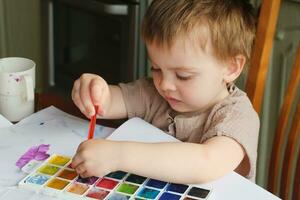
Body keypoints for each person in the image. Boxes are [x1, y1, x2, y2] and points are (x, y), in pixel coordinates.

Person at [71, 0, 259, 183]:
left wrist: (118, 156)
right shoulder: (154, 93)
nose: (165, 84)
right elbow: (110, 102)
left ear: (231, 67)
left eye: (183, 75)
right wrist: (95, 91)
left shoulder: (238, 116)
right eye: (156, 68)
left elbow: (205, 163)